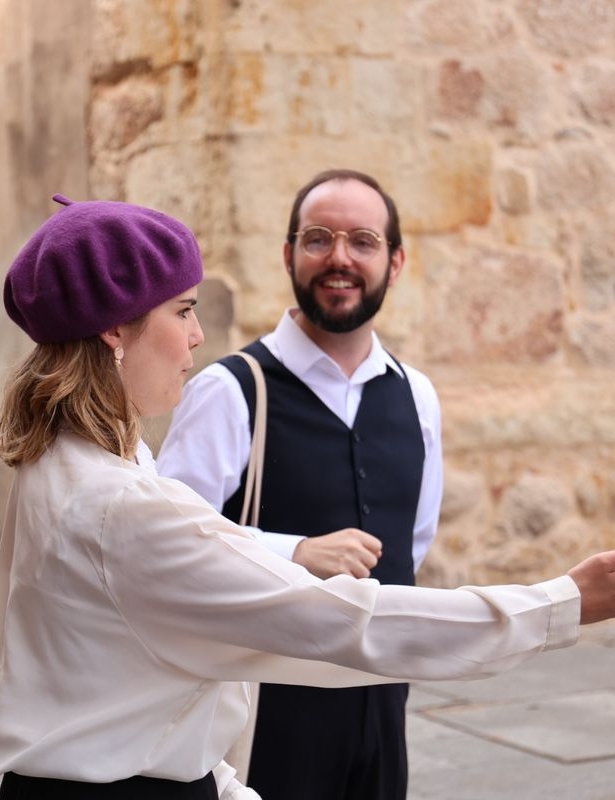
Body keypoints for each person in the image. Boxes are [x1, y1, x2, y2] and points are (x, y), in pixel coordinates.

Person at [0, 192, 615, 800]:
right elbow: (349, 619)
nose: (196, 336)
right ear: (115, 330)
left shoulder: (73, 462)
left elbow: (130, 669)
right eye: (182, 310)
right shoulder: (117, 499)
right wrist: (557, 603)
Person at [155, 169, 436, 799]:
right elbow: (164, 557)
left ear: (395, 263)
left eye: (363, 241)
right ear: (288, 255)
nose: (340, 258)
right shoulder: (230, 391)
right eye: (318, 239)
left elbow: (412, 548)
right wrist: (295, 551)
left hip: (381, 710)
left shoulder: (418, 398)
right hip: (263, 718)